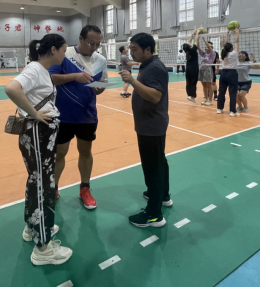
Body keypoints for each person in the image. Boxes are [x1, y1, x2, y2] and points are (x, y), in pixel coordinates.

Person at [4, 34, 73, 266]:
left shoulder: (42, 70)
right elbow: (11, 88)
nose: (64, 55)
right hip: (38, 134)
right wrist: (34, 113)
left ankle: (33, 227)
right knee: (43, 184)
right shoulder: (35, 69)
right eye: (63, 50)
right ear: (53, 49)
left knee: (37, 181)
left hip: (41, 136)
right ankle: (43, 247)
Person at [50, 25, 108, 211]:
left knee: (85, 152)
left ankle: (85, 189)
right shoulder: (64, 54)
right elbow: (51, 78)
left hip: (87, 115)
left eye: (98, 44)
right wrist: (74, 76)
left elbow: (103, 83)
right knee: (60, 153)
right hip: (62, 115)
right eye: (91, 43)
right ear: (80, 39)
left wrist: (99, 88)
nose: (94, 47)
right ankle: (53, 188)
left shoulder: (100, 60)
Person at [120, 33, 171, 228]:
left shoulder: (154, 67)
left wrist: (133, 82)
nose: (131, 53)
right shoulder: (148, 65)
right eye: (130, 49)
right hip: (150, 124)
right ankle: (162, 195)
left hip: (151, 126)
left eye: (134, 49)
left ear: (148, 50)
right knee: (159, 162)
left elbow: (155, 96)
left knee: (152, 168)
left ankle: (154, 215)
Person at [217, 29, 241, 117]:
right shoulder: (234, 54)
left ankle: (219, 109)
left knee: (221, 92)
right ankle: (232, 111)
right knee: (232, 93)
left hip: (223, 73)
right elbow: (237, 42)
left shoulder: (223, 53)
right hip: (232, 73)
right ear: (231, 48)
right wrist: (237, 32)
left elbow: (225, 44)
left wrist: (227, 33)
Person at [191, 31, 217, 106]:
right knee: (204, 85)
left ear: (211, 48)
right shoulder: (204, 54)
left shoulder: (213, 53)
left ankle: (210, 100)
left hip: (208, 69)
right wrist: (197, 39)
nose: (206, 48)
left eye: (207, 47)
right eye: (205, 47)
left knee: (209, 85)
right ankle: (206, 99)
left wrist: (204, 39)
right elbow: (198, 48)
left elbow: (209, 47)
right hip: (202, 69)